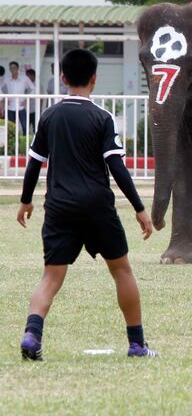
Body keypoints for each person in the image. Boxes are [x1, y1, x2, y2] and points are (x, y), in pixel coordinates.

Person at [16, 48, 157, 361]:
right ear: (94, 78)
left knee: (50, 278)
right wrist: (139, 207)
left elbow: (34, 163)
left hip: (59, 206)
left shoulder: (49, 116)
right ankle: (137, 345)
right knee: (121, 271)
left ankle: (31, 335)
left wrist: (26, 201)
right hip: (97, 206)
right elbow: (117, 167)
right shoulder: (101, 117)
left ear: (63, 78)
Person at [2, 61, 35, 134]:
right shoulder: (7, 79)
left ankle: (25, 142)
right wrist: (5, 98)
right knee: (11, 127)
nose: (12, 69)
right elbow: (0, 89)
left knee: (24, 126)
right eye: (10, 68)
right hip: (10, 107)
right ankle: (14, 144)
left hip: (21, 107)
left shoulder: (24, 78)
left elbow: (33, 88)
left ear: (17, 68)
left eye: (14, 67)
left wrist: (27, 99)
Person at [25, 68, 37, 132]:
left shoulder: (37, 85)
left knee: (36, 128)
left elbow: (41, 99)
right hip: (26, 110)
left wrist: (39, 108)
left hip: (35, 110)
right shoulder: (26, 85)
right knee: (25, 127)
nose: (27, 78)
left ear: (33, 76)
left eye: (28, 76)